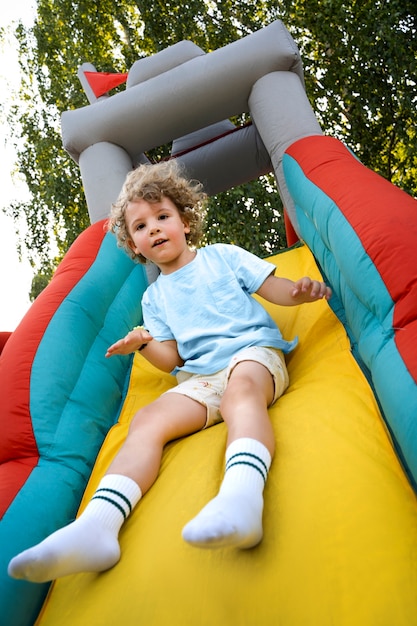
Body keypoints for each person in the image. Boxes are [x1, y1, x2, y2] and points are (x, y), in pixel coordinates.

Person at [8, 161, 331, 583]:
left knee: (241, 393)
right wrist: (143, 346)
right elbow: (173, 358)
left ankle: (242, 496)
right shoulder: (154, 297)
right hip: (201, 377)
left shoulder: (222, 258)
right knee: (147, 420)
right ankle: (97, 527)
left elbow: (275, 290)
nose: (155, 229)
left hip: (252, 355)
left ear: (185, 220)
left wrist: (299, 292)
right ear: (135, 244)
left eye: (163, 217)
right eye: (141, 226)